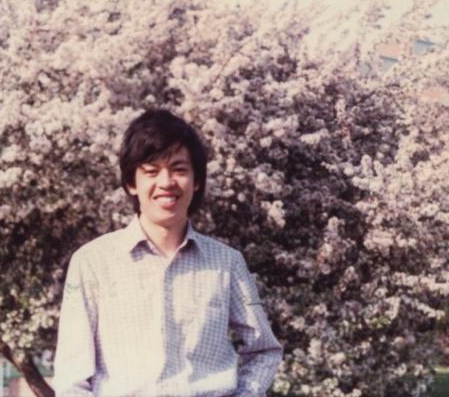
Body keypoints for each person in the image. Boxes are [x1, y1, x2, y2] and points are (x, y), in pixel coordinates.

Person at [53, 110, 282, 396]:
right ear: (131, 183)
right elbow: (71, 377)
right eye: (151, 171)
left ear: (196, 180)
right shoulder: (92, 263)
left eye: (179, 169)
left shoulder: (228, 263)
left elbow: (265, 350)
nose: (166, 182)